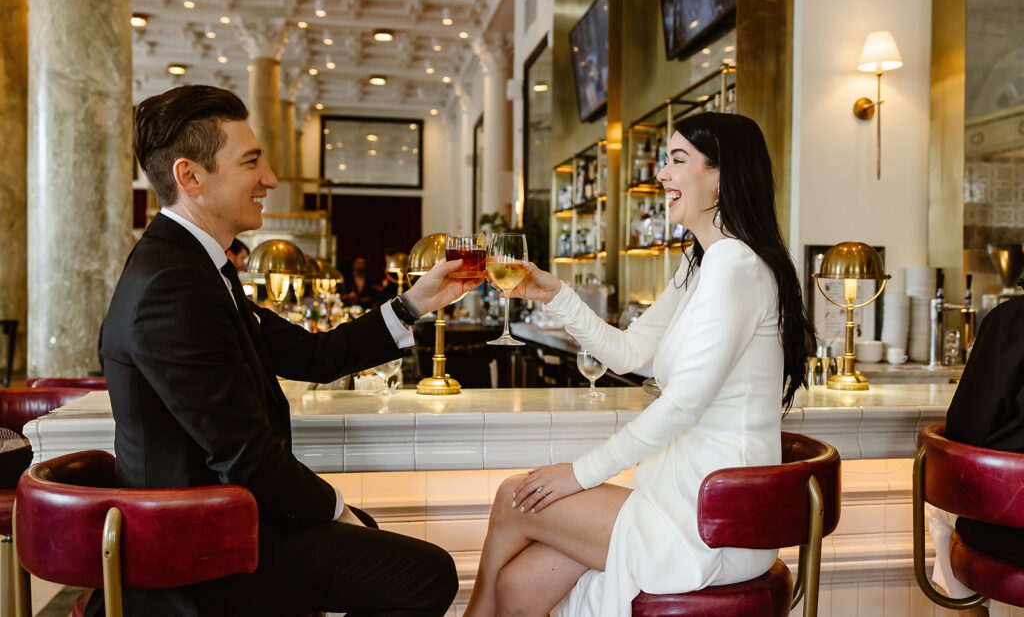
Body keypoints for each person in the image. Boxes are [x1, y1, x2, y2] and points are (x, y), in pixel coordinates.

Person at [97, 85, 481, 617]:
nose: (271, 179)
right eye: (252, 161)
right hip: (193, 559)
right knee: (426, 575)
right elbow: (244, 456)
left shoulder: (194, 266)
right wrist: (336, 509)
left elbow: (313, 356)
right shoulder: (173, 284)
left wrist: (415, 303)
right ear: (190, 177)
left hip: (226, 528)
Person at [465, 112, 814, 617]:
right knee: (520, 584)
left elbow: (682, 406)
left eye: (677, 160)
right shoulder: (700, 263)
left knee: (513, 497)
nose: (662, 174)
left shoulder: (735, 264)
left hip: (712, 524)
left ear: (722, 176)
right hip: (679, 500)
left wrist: (580, 474)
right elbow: (629, 353)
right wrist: (555, 295)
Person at [923, 294, 1024, 616]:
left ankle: (972, 613)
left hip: (1015, 537)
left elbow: (967, 429)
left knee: (942, 507)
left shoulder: (1013, 318)